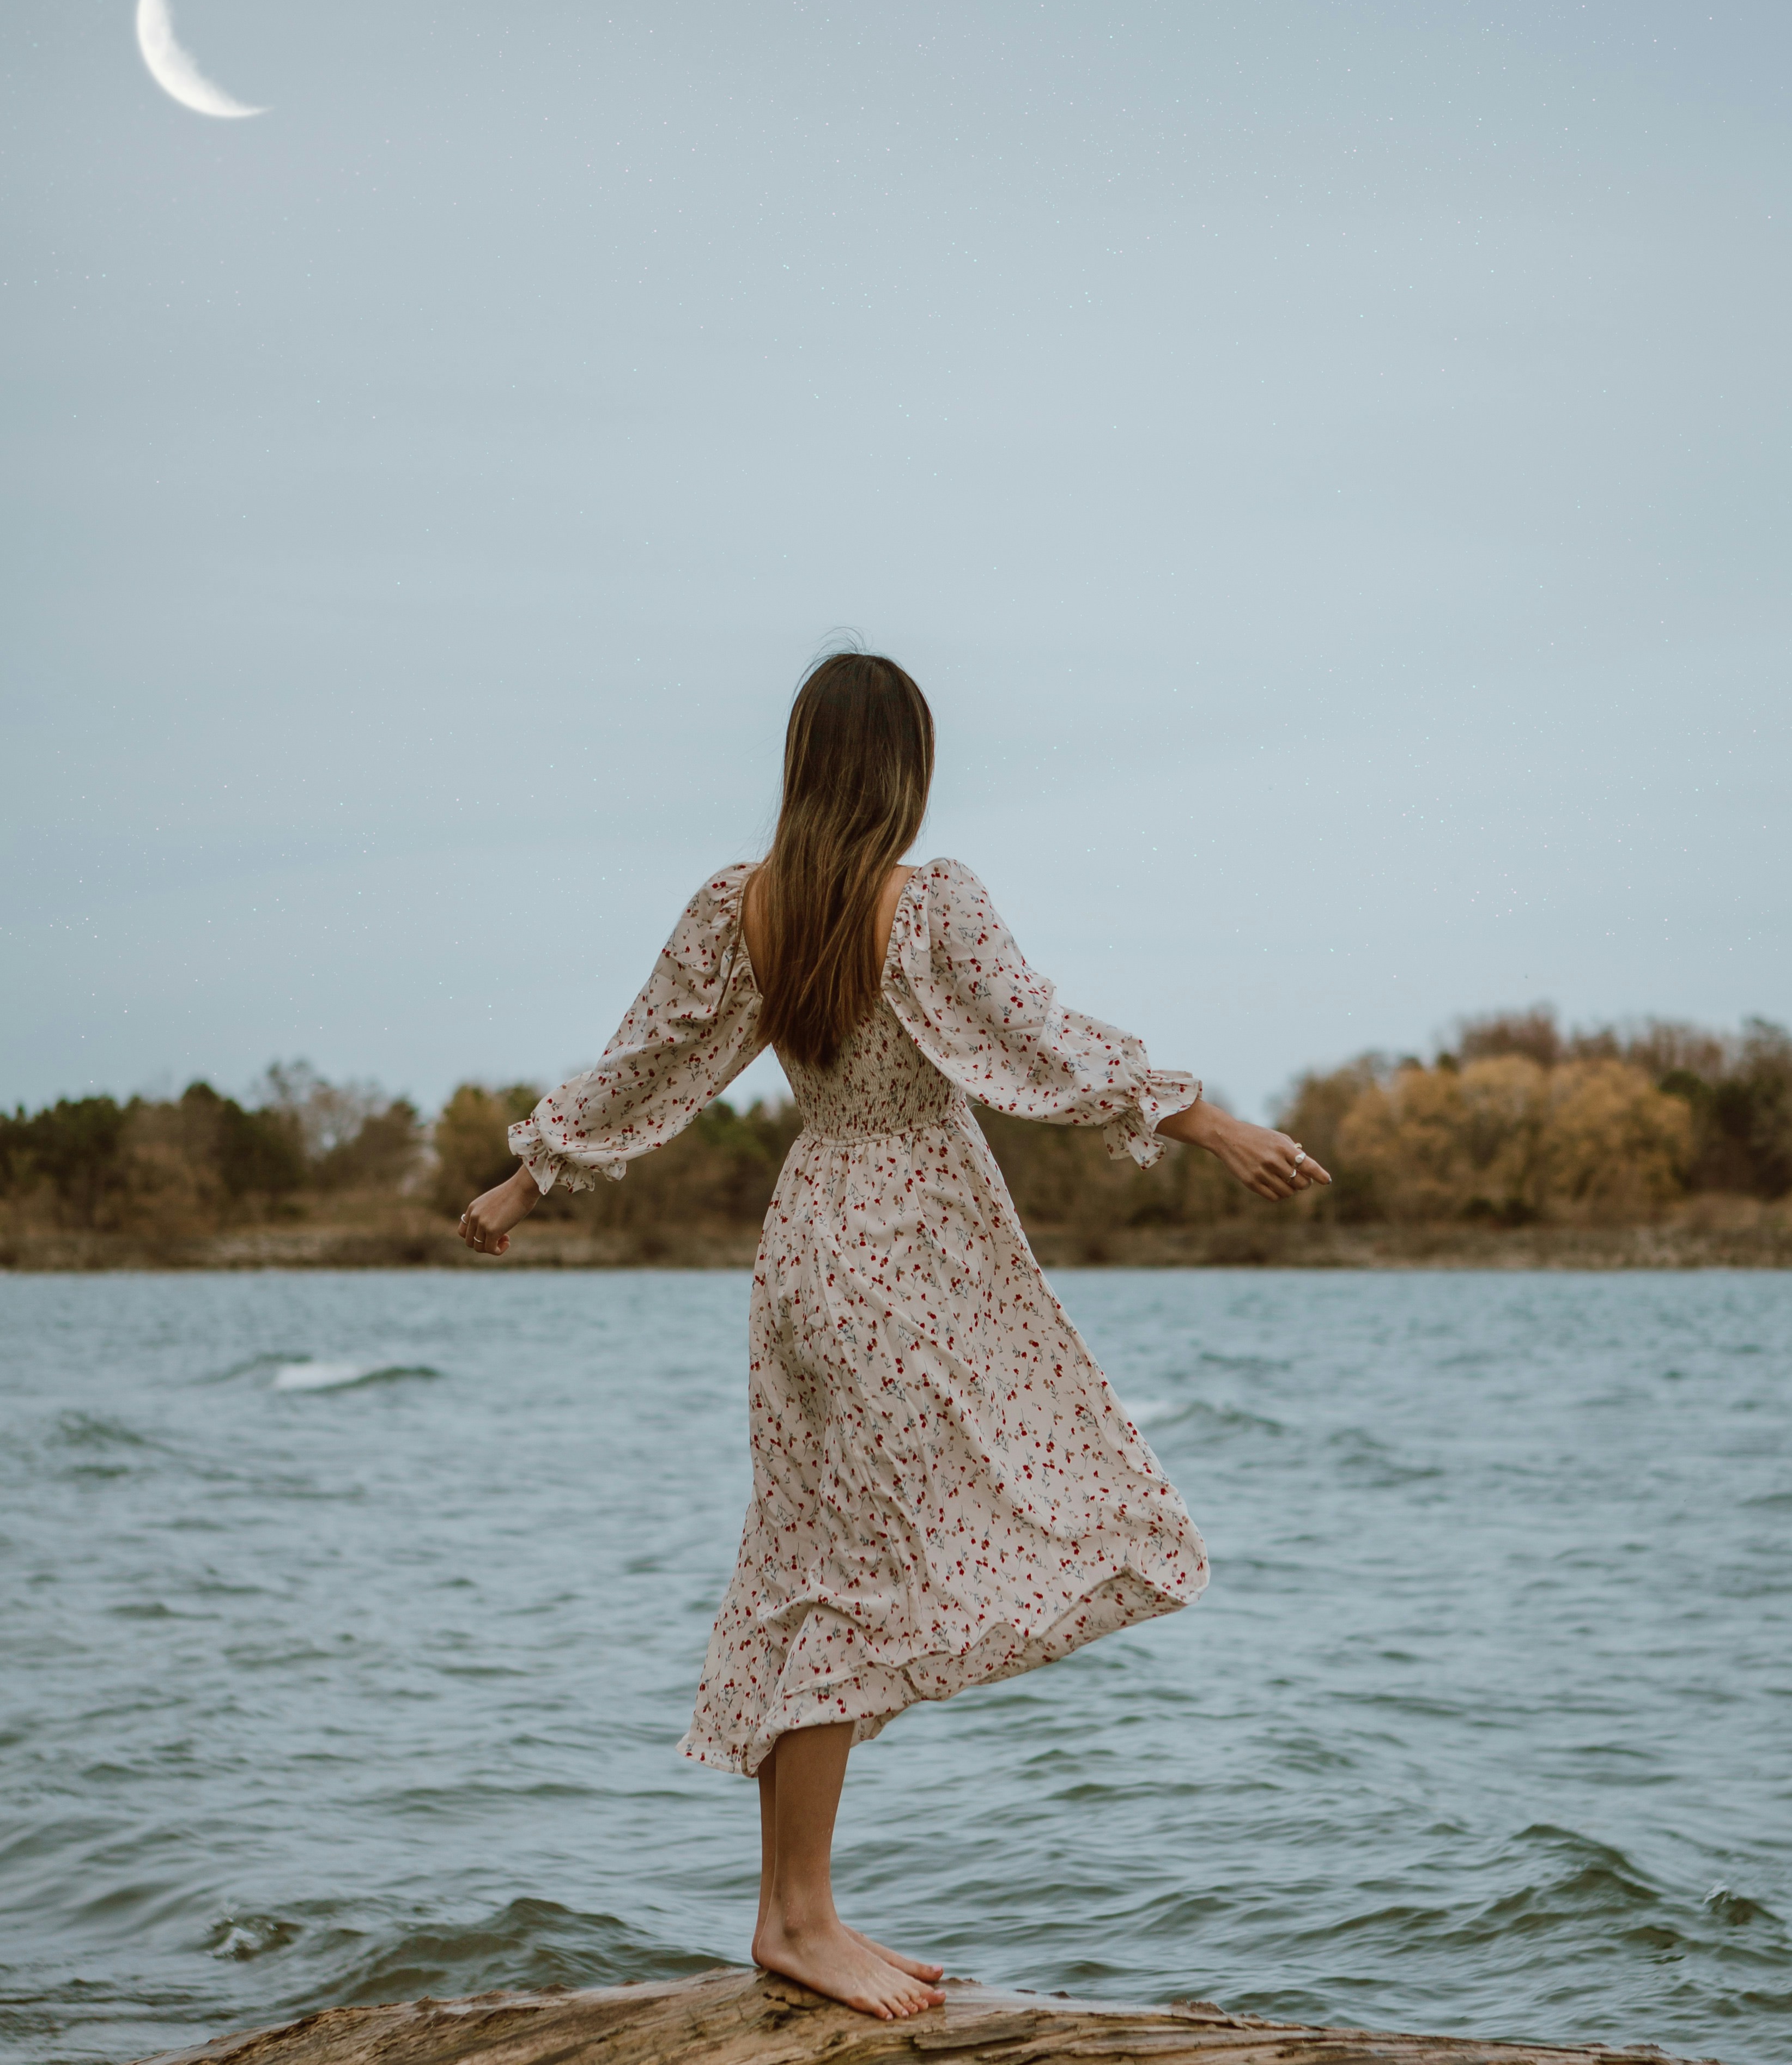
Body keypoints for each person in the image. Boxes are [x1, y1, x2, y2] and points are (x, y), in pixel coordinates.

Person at [458, 651, 1329, 2019]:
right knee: (875, 1565)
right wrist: (1204, 1119)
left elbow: (646, 1065)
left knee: (817, 1559)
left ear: (806, 759)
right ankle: (794, 1918)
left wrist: (529, 1179)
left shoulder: (741, 907)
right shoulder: (925, 908)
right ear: (904, 768)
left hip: (811, 1243)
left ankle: (801, 1908)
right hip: (905, 1249)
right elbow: (1042, 1046)